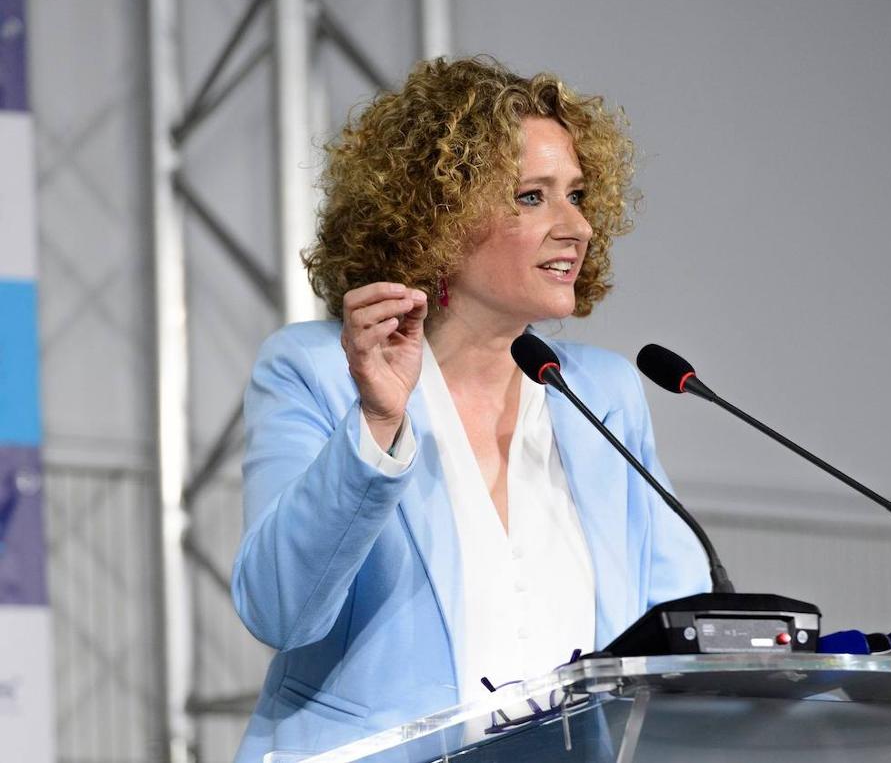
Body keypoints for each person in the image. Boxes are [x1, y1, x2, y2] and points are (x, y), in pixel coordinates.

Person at [230, 56, 711, 761]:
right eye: (532, 197)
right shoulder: (316, 370)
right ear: (437, 219)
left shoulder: (602, 392)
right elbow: (281, 611)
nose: (576, 226)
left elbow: (683, 626)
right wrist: (376, 424)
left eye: (577, 195)